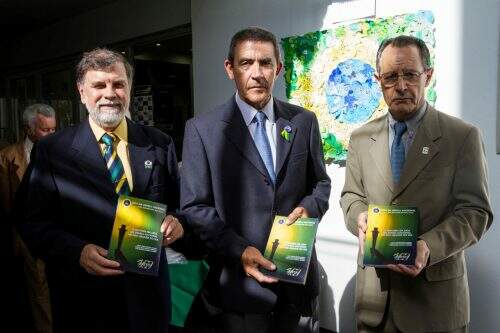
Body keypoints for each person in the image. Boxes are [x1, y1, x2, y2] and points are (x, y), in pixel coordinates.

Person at [19, 48, 185, 333]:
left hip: (147, 304)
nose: (110, 93)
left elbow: (183, 208)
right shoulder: (52, 151)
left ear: (129, 88)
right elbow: (30, 221)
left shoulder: (159, 144)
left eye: (118, 84)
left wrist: (179, 224)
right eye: (99, 85)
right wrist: (77, 251)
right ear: (82, 92)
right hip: (83, 303)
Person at [180, 27, 331, 332]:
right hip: (240, 289)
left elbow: (320, 184)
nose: (257, 73)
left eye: (265, 63)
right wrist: (240, 250)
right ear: (229, 68)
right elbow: (196, 207)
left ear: (279, 69)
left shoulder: (304, 121)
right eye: (246, 63)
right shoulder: (202, 130)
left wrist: (309, 208)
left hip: (296, 284)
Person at [340, 35, 493, 332]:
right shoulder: (360, 138)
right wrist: (358, 215)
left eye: (410, 74)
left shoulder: (461, 137)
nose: (400, 86)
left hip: (434, 307)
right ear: (377, 80)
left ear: (428, 76)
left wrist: (428, 247)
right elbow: (350, 196)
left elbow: (476, 213)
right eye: (390, 77)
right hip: (375, 305)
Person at [0, 103, 56, 333]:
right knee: (38, 289)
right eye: (45, 130)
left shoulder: (60, 153)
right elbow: (6, 205)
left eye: (54, 130)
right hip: (26, 235)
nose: (51, 135)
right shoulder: (7, 158)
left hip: (56, 234)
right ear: (28, 129)